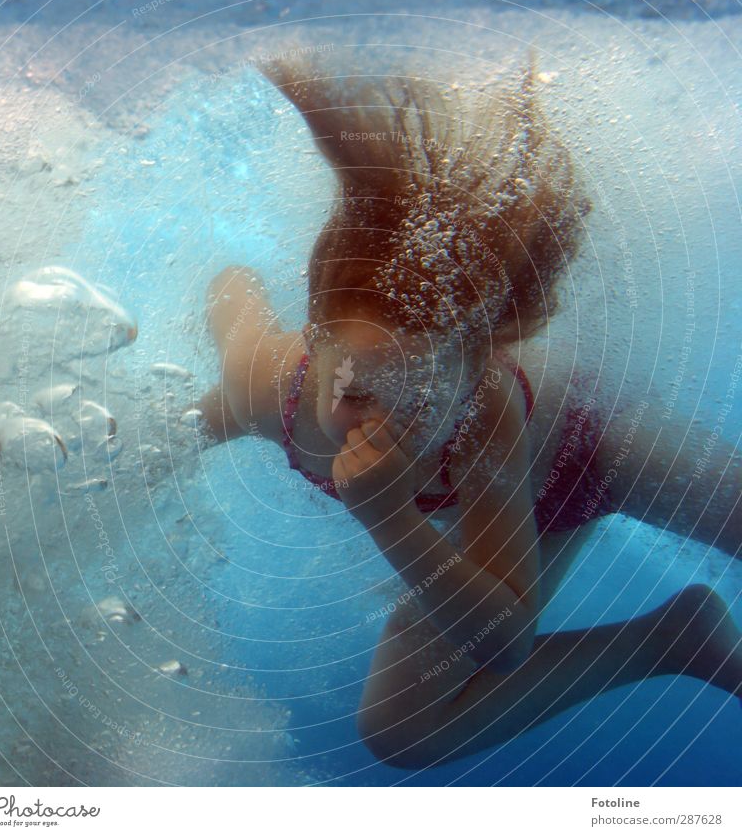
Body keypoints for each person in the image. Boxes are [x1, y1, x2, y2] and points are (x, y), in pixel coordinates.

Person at [193, 56, 742, 769]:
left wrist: (391, 515)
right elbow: (230, 305)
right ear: (316, 341)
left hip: (598, 448)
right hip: (493, 529)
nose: (379, 418)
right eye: (352, 385)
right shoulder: (269, 385)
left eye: (419, 395)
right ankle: (671, 639)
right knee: (401, 731)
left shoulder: (485, 415)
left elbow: (508, 641)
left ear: (470, 364)